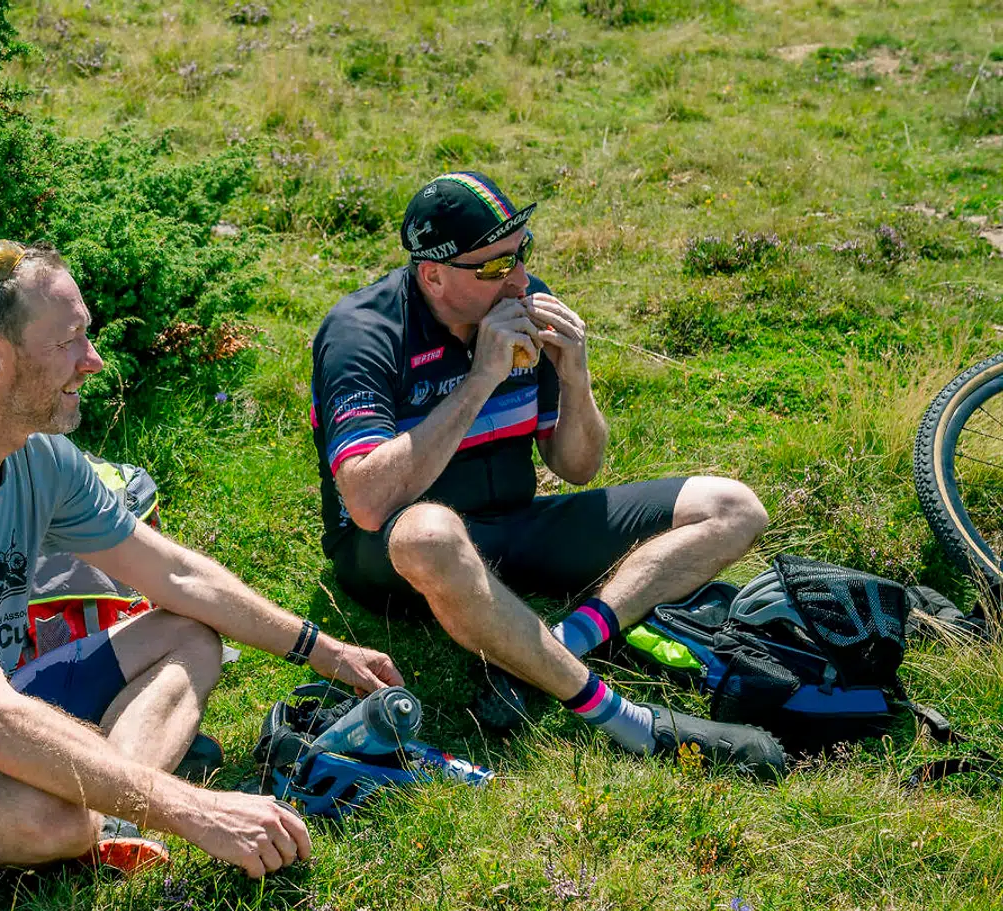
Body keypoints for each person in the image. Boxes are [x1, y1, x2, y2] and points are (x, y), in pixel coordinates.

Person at [0, 239, 404, 877]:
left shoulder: (35, 453)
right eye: (66, 342)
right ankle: (109, 803)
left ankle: (113, 811)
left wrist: (327, 651)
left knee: (190, 636)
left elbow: (173, 573)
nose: (92, 361)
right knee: (54, 817)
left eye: (86, 336)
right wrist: (195, 809)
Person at [309, 172, 785, 779]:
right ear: (433, 275)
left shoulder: (519, 306)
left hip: (514, 525)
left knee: (733, 507)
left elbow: (577, 466)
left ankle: (564, 640)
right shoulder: (363, 334)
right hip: (393, 552)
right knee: (431, 534)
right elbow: (370, 501)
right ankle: (623, 719)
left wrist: (576, 375)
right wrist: (480, 379)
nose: (519, 280)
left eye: (521, 253)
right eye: (493, 268)